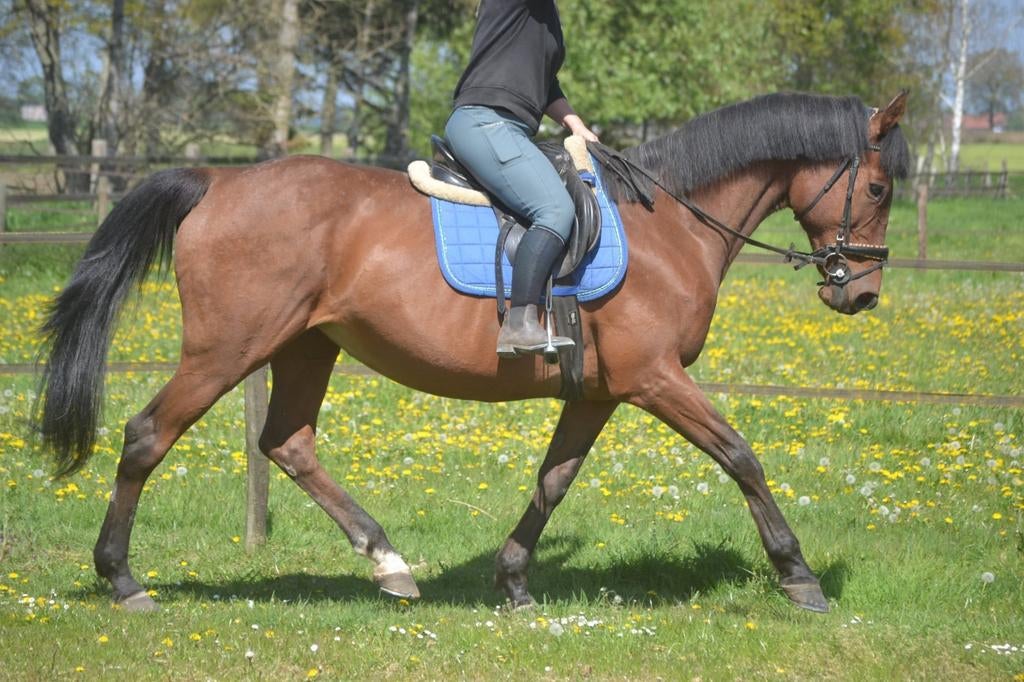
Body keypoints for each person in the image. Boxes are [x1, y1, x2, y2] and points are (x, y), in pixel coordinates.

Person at [444, 0, 599, 358]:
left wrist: (575, 123)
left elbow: (545, 84)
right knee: (555, 209)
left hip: (510, 129)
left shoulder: (546, 18)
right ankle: (519, 324)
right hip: (487, 121)